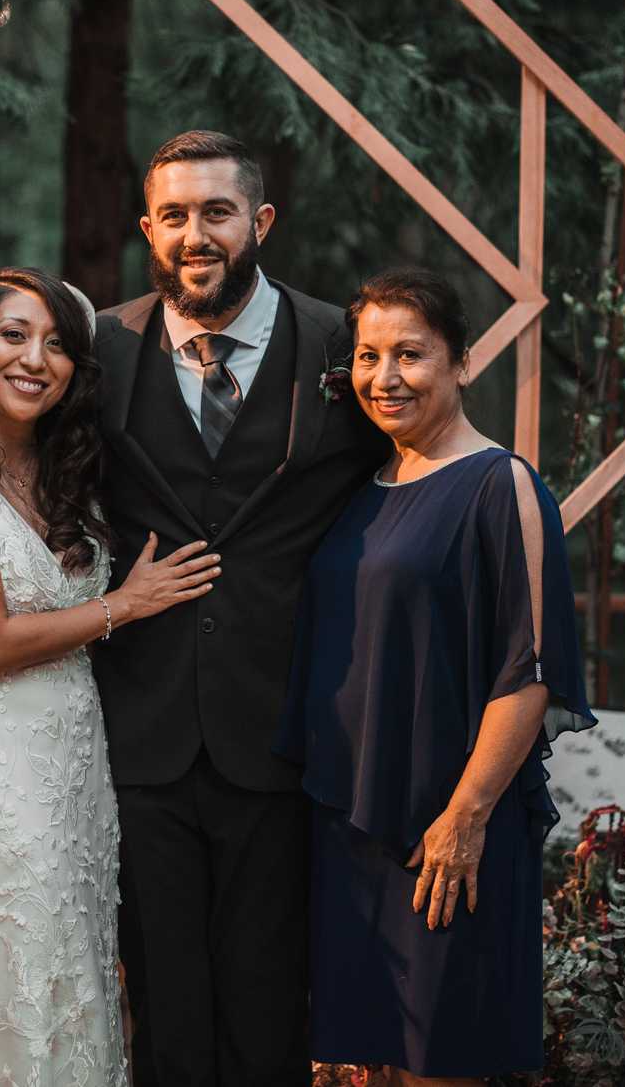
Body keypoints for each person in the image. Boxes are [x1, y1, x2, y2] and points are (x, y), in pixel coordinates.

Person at [92, 130, 388, 1086]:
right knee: (163, 1006)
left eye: (216, 212)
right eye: (173, 215)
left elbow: (409, 478)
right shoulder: (99, 345)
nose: (195, 234)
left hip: (285, 721)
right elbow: (10, 476)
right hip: (141, 728)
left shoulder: (342, 342)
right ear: (149, 227)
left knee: (269, 1003)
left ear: (258, 221)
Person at [0, 267, 222, 1086]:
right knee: (13, 954)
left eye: (56, 344)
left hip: (73, 752)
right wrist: (127, 604)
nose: (35, 358)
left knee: (76, 958)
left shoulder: (62, 468)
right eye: (13, 335)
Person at [278, 267, 595, 1086]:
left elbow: (529, 667)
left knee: (439, 1062)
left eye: (411, 354)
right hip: (354, 825)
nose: (385, 377)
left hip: (445, 833)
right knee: (365, 1067)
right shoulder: (365, 487)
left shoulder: (502, 484)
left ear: (463, 360)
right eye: (367, 355)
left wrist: (466, 816)